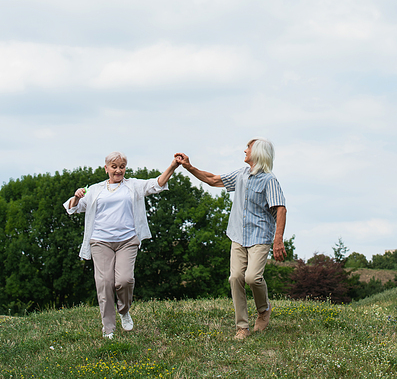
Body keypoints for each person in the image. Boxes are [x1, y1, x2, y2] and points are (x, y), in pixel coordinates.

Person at [175, 138, 286, 340]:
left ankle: (263, 310)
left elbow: (280, 208)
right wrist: (189, 167)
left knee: (252, 277)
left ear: (258, 153)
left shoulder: (269, 180)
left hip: (260, 236)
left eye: (248, 148)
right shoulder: (241, 175)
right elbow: (212, 179)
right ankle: (242, 327)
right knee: (235, 278)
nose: (244, 150)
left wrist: (278, 239)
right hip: (237, 235)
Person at [63, 151, 179, 338]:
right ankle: (108, 328)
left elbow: (157, 183)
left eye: (122, 167)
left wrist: (173, 166)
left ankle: (124, 311)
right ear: (106, 168)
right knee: (105, 283)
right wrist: (77, 197)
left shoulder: (133, 185)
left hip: (127, 240)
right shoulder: (94, 189)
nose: (118, 170)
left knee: (124, 280)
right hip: (100, 241)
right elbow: (72, 208)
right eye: (114, 167)